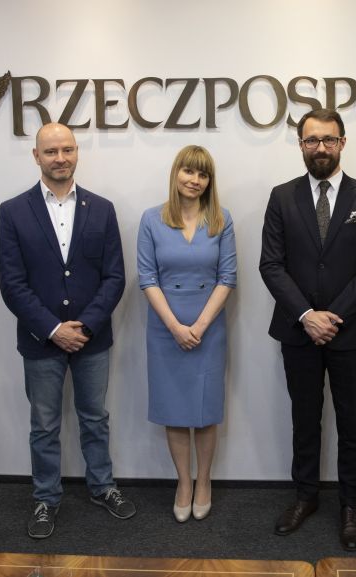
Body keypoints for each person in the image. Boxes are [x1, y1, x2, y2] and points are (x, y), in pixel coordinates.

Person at [259, 108, 356, 551]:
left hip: (349, 332)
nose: (320, 148)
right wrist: (306, 315)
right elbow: (271, 265)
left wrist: (331, 316)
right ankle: (306, 496)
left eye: (328, 140)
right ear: (301, 145)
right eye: (311, 140)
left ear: (342, 143)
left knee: (352, 422)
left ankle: (351, 505)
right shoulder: (282, 197)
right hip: (297, 330)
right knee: (304, 418)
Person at [0, 122, 133, 540]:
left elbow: (114, 277)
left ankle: (102, 486)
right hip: (41, 340)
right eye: (51, 151)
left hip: (92, 338)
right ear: (36, 156)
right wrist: (54, 329)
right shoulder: (13, 211)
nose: (61, 158)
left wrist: (85, 326)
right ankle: (45, 498)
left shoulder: (102, 209)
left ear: (76, 153)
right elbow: (12, 284)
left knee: (95, 418)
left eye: (67, 150)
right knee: (44, 425)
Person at [137, 145, 237, 523]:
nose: (195, 180)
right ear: (176, 173)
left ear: (210, 181)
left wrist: (198, 326)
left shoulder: (221, 219)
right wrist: (176, 328)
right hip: (166, 329)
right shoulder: (151, 219)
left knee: (205, 411)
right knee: (176, 411)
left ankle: (204, 481)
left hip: (208, 329)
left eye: (203, 174)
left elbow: (228, 278)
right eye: (188, 171)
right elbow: (147, 278)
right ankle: (183, 482)